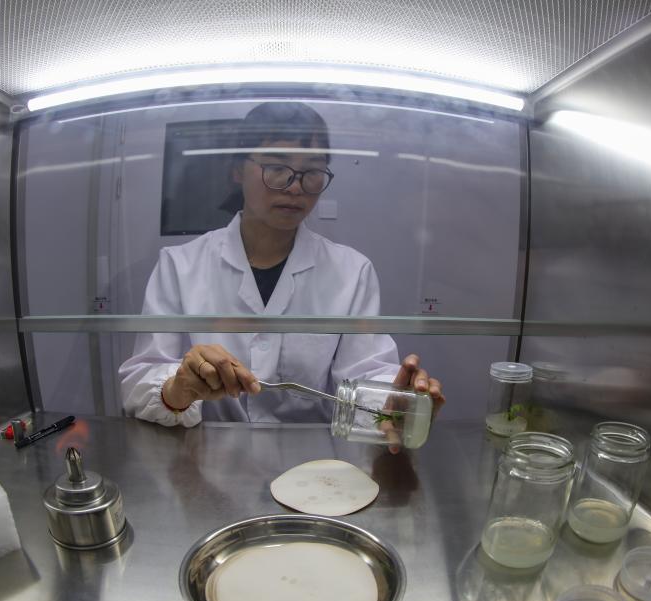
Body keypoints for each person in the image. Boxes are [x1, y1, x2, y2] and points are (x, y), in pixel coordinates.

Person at [119, 102, 444, 446]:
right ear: (237, 170)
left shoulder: (351, 271)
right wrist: (180, 386)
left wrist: (395, 402)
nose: (295, 187)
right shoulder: (179, 265)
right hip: (206, 455)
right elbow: (139, 382)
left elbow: (366, 375)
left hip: (312, 459)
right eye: (276, 167)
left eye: (313, 171)